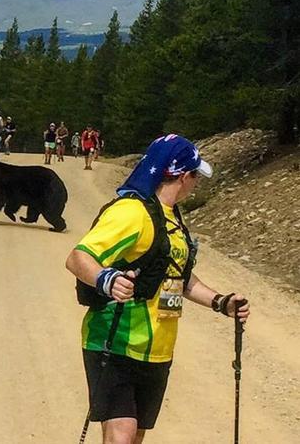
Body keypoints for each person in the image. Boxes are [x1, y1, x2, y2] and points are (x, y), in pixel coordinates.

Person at [65, 134, 250, 444]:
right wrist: (106, 280)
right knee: (120, 437)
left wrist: (221, 301)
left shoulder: (173, 220)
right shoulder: (131, 212)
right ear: (179, 174)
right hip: (115, 342)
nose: (196, 183)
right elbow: (78, 257)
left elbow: (180, 277)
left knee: (134, 438)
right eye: (194, 175)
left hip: (157, 352)